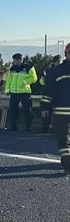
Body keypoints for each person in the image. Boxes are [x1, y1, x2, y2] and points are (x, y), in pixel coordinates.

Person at [40, 43, 70, 173]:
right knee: (63, 137)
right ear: (66, 54)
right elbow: (48, 91)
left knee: (63, 138)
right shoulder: (57, 71)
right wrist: (45, 107)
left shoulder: (56, 71)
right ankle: (67, 162)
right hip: (61, 111)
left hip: (61, 110)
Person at [5, 53, 38, 131]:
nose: (14, 62)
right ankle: (13, 127)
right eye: (14, 60)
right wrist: (7, 90)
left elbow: (34, 78)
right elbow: (9, 79)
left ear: (20, 60)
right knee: (13, 110)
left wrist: (25, 82)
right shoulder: (12, 68)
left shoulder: (29, 67)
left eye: (15, 60)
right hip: (14, 92)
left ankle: (28, 127)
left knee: (27, 110)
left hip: (24, 92)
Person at [39, 55, 61, 133]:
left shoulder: (62, 70)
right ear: (54, 62)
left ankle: (53, 128)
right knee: (47, 111)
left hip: (59, 95)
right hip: (49, 93)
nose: (59, 63)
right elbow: (42, 82)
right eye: (58, 61)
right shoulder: (49, 71)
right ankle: (45, 127)